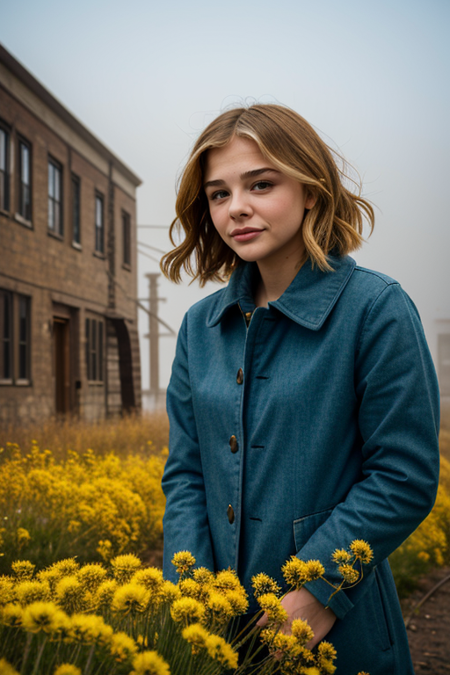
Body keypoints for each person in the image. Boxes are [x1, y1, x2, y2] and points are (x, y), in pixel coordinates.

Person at [160, 103, 440, 674]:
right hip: (216, 636)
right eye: (218, 194)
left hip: (339, 628)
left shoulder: (376, 309)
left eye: (261, 184)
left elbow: (403, 476)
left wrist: (317, 590)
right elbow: (187, 472)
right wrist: (189, 592)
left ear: (311, 190)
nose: (236, 207)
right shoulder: (199, 327)